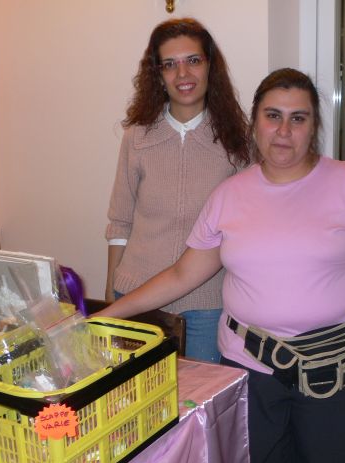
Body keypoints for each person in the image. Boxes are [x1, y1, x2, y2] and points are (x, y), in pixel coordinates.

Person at [98, 68, 345, 463]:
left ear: (313, 126)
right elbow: (182, 275)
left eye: (298, 118)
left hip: (337, 371)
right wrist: (106, 315)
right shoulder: (229, 195)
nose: (283, 131)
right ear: (255, 122)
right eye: (273, 116)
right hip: (250, 369)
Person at [105, 18, 249, 363]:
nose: (182, 74)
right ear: (158, 74)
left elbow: (246, 230)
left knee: (196, 396)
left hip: (206, 307)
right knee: (135, 394)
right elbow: (120, 223)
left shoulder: (237, 140)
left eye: (193, 60)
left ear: (210, 67)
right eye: (169, 64)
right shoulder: (137, 137)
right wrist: (111, 292)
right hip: (137, 297)